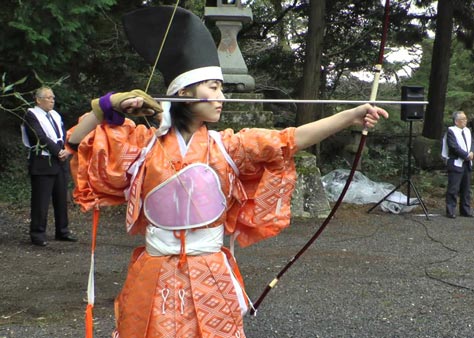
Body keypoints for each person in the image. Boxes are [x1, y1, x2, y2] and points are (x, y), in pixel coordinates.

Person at [66, 6, 388, 338]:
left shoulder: (228, 147)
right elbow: (77, 142)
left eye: (220, 88)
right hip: (154, 272)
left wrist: (350, 116)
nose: (222, 97)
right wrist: (108, 104)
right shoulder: (143, 145)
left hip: (209, 271)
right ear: (185, 93)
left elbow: (288, 140)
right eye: (212, 88)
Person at [22, 87, 76, 247]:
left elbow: (62, 134)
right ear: (38, 100)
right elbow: (39, 136)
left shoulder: (55, 115)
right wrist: (57, 151)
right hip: (43, 162)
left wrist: (66, 150)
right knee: (41, 200)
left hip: (60, 161)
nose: (52, 100)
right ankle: (38, 233)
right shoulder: (31, 114)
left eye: (53, 97)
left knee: (61, 198)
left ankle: (62, 231)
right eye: (48, 97)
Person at [442, 111, 474, 218]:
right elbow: (453, 146)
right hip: (456, 162)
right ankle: (450, 210)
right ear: (456, 121)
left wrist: (472, 152)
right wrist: (466, 155)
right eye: (462, 119)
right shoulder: (451, 131)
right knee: (453, 188)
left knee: (466, 188)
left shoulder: (467, 131)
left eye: (465, 119)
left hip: (467, 163)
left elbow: (472, 143)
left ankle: (465, 210)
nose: (465, 121)